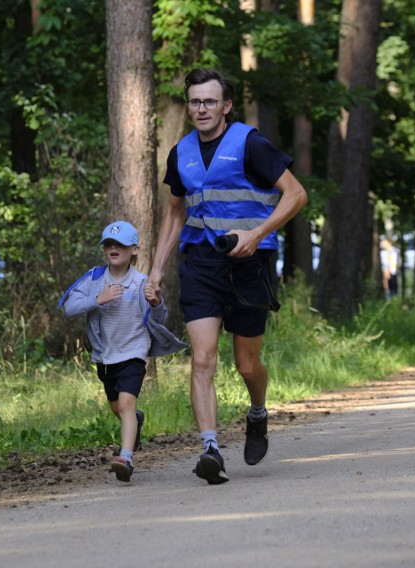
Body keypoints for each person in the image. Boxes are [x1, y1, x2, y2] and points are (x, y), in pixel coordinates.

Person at [147, 68, 308, 485]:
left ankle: (257, 412)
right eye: (195, 102)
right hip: (202, 263)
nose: (201, 109)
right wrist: (156, 269)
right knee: (201, 359)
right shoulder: (180, 152)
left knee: (246, 363)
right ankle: (210, 448)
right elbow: (175, 212)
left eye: (209, 101)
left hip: (249, 263)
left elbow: (297, 194)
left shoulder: (249, 143)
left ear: (226, 106)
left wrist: (257, 234)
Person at [59, 221, 186, 482]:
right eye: (108, 244)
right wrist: (98, 300)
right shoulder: (94, 278)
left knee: (127, 403)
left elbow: (159, 317)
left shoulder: (141, 283)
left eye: (120, 244)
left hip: (133, 353)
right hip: (106, 357)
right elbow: (69, 307)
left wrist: (156, 301)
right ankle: (135, 421)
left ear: (135, 249)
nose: (113, 248)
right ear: (104, 250)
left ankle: (125, 457)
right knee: (118, 407)